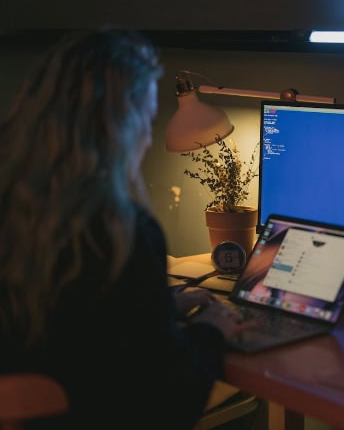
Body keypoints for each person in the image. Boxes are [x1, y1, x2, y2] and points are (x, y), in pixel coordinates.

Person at [0, 28, 253, 430]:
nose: (149, 139)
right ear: (122, 124)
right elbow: (169, 401)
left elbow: (72, 325)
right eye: (147, 120)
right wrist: (210, 329)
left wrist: (159, 306)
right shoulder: (120, 231)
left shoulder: (18, 207)